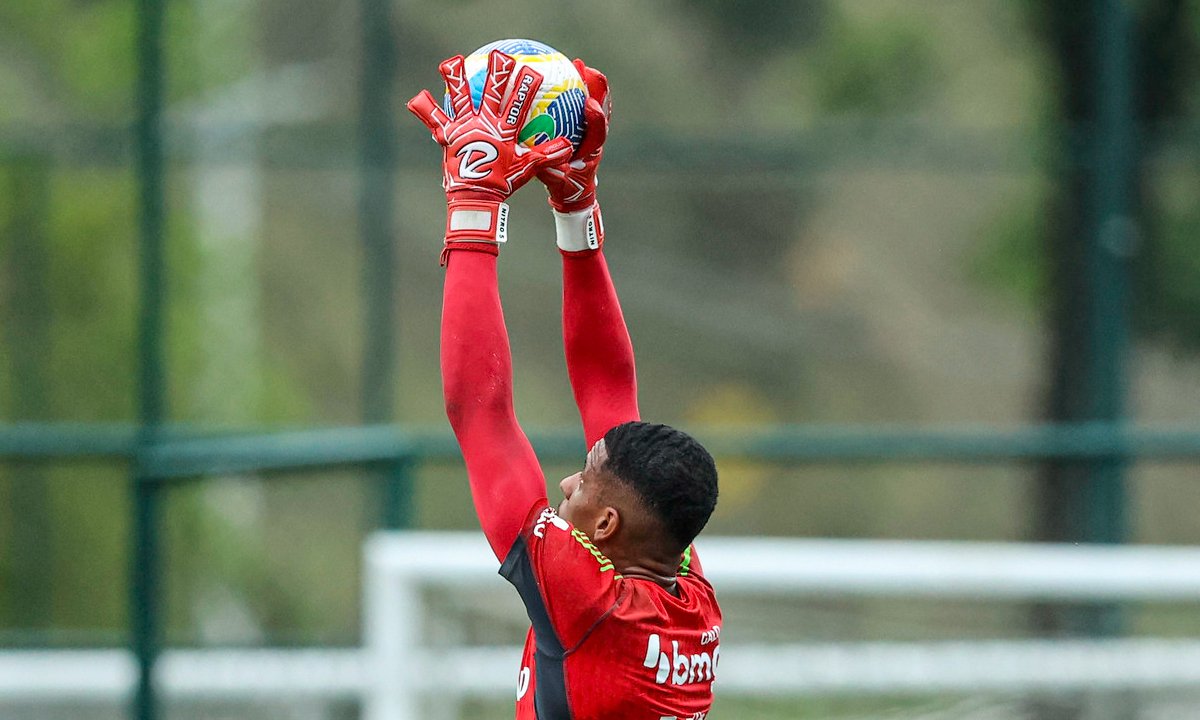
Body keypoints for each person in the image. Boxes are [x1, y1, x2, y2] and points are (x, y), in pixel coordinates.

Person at [408, 50, 722, 720]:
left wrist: (474, 203)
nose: (569, 485)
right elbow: (608, 389)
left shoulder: (586, 600)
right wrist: (576, 207)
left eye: (586, 478)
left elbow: (480, 414)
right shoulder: (681, 588)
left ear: (608, 525)